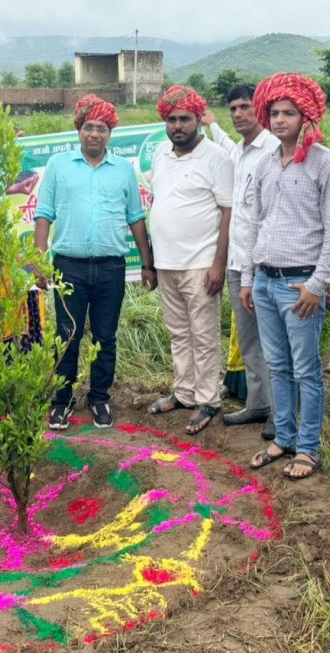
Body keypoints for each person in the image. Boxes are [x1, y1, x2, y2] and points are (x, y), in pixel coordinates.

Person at [240, 73, 330, 479]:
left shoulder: (327, 162)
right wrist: (250, 278)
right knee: (277, 365)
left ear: (306, 117)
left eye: (289, 113)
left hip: (300, 283)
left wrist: (318, 285)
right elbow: (256, 223)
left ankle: (307, 447)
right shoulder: (266, 163)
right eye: (274, 113)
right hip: (267, 282)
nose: (281, 119)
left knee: (306, 369)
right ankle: (283, 437)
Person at [34, 94, 155, 430]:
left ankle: (100, 398)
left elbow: (135, 218)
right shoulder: (59, 166)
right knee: (67, 334)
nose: (95, 134)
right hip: (67, 265)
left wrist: (147, 264)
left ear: (110, 134)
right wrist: (38, 261)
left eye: (102, 129)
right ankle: (62, 400)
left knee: (105, 336)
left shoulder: (122, 171)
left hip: (110, 267)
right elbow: (44, 214)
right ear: (78, 129)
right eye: (89, 127)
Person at [147, 85, 233, 435]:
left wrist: (218, 265)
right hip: (167, 264)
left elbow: (229, 212)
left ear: (199, 120)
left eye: (185, 119)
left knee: (204, 333)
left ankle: (208, 399)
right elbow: (159, 205)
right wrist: (151, 261)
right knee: (178, 333)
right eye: (172, 119)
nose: (178, 125)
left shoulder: (216, 158)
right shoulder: (160, 155)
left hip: (201, 264)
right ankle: (183, 393)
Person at [201, 84, 280, 437]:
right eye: (233, 108)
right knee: (249, 340)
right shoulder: (239, 152)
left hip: (264, 265)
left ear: (258, 108)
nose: (238, 114)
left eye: (245, 107)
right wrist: (210, 123)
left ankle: (281, 413)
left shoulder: (274, 149)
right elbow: (223, 143)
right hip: (236, 262)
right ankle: (259, 404)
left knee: (275, 342)